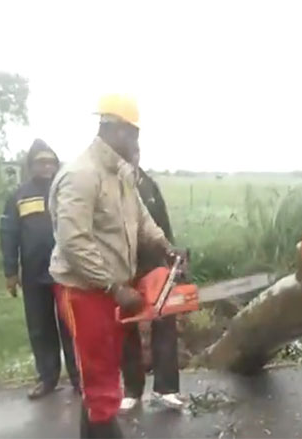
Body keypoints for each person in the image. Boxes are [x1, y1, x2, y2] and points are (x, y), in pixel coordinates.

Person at [50, 94, 180, 438]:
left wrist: (165, 246)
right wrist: (113, 287)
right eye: (133, 134)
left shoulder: (121, 176)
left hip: (108, 290)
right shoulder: (82, 175)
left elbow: (141, 220)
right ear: (115, 130)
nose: (136, 143)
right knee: (101, 382)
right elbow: (73, 241)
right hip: (83, 291)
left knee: (101, 378)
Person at [0, 139, 79, 399]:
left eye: (50, 161)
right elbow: (9, 234)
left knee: (71, 326)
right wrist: (11, 272)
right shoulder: (19, 196)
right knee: (40, 328)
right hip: (34, 275)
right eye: (40, 162)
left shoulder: (67, 190)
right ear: (30, 166)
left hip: (67, 272)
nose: (46, 166)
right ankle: (47, 378)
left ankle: (81, 379)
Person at [120, 152, 183, 411]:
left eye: (134, 154)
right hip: (122, 265)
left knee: (165, 321)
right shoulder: (108, 185)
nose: (130, 159)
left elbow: (162, 224)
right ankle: (132, 389)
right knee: (125, 326)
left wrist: (171, 254)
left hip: (154, 262)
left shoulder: (148, 185)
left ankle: (166, 388)